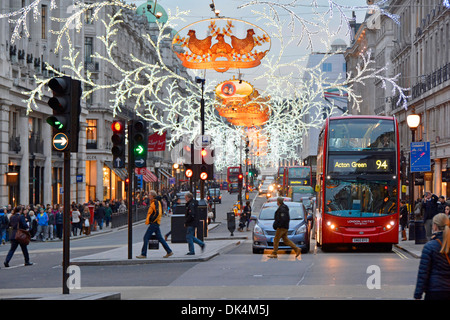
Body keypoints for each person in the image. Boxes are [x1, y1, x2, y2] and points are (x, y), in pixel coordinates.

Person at [414, 213, 450, 300]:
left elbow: (423, 273)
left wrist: (418, 294)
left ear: (435, 226)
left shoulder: (430, 246)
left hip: (435, 291)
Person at [136, 190, 173, 259]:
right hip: (155, 223)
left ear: (153, 196)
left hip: (154, 223)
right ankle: (169, 251)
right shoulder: (154, 202)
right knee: (160, 238)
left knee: (146, 237)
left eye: (149, 195)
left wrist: (152, 219)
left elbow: (158, 213)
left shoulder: (156, 202)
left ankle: (143, 254)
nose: (148, 196)